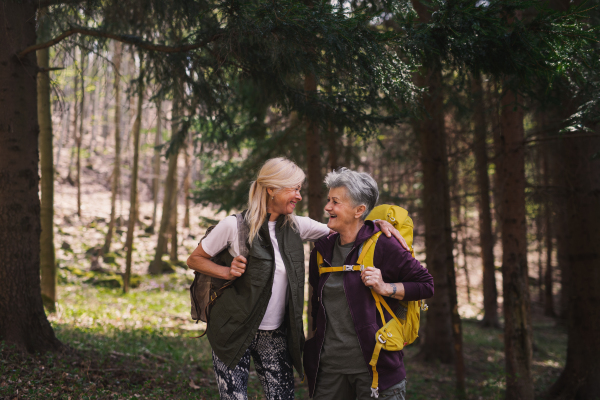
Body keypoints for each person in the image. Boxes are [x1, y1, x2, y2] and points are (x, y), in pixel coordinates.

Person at [186, 158, 406, 400]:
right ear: (271, 189)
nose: (299, 196)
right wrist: (227, 272)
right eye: (295, 189)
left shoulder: (297, 226)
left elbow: (348, 226)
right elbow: (195, 259)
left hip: (274, 333)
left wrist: (376, 223)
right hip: (232, 329)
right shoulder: (233, 226)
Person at [303, 168, 434, 400]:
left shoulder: (384, 244)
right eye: (328, 200)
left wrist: (386, 288)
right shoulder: (322, 251)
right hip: (329, 371)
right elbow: (317, 305)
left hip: (376, 370)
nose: (327, 207)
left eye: (335, 202)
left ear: (359, 210)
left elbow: (425, 285)